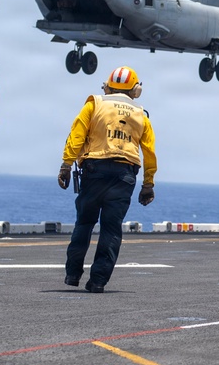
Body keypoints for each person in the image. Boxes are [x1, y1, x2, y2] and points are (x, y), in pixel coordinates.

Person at [58, 66, 157, 293]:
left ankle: (73, 274)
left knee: (84, 223)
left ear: (108, 85)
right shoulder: (141, 114)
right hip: (125, 176)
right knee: (111, 229)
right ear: (136, 90)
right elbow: (149, 152)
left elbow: (76, 135)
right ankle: (98, 281)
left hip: (94, 171)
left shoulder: (95, 103)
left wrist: (65, 165)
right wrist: (148, 184)